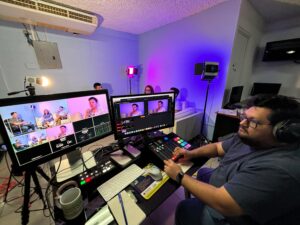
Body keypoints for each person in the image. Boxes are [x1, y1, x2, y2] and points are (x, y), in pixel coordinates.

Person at [164, 94, 300, 225]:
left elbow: (223, 202)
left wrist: (180, 176)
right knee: (202, 173)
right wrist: (191, 153)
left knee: (184, 208)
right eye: (243, 116)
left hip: (233, 216)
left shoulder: (278, 169)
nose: (242, 123)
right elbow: (218, 148)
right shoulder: (251, 137)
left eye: (252, 121)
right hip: (226, 184)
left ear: (281, 132)